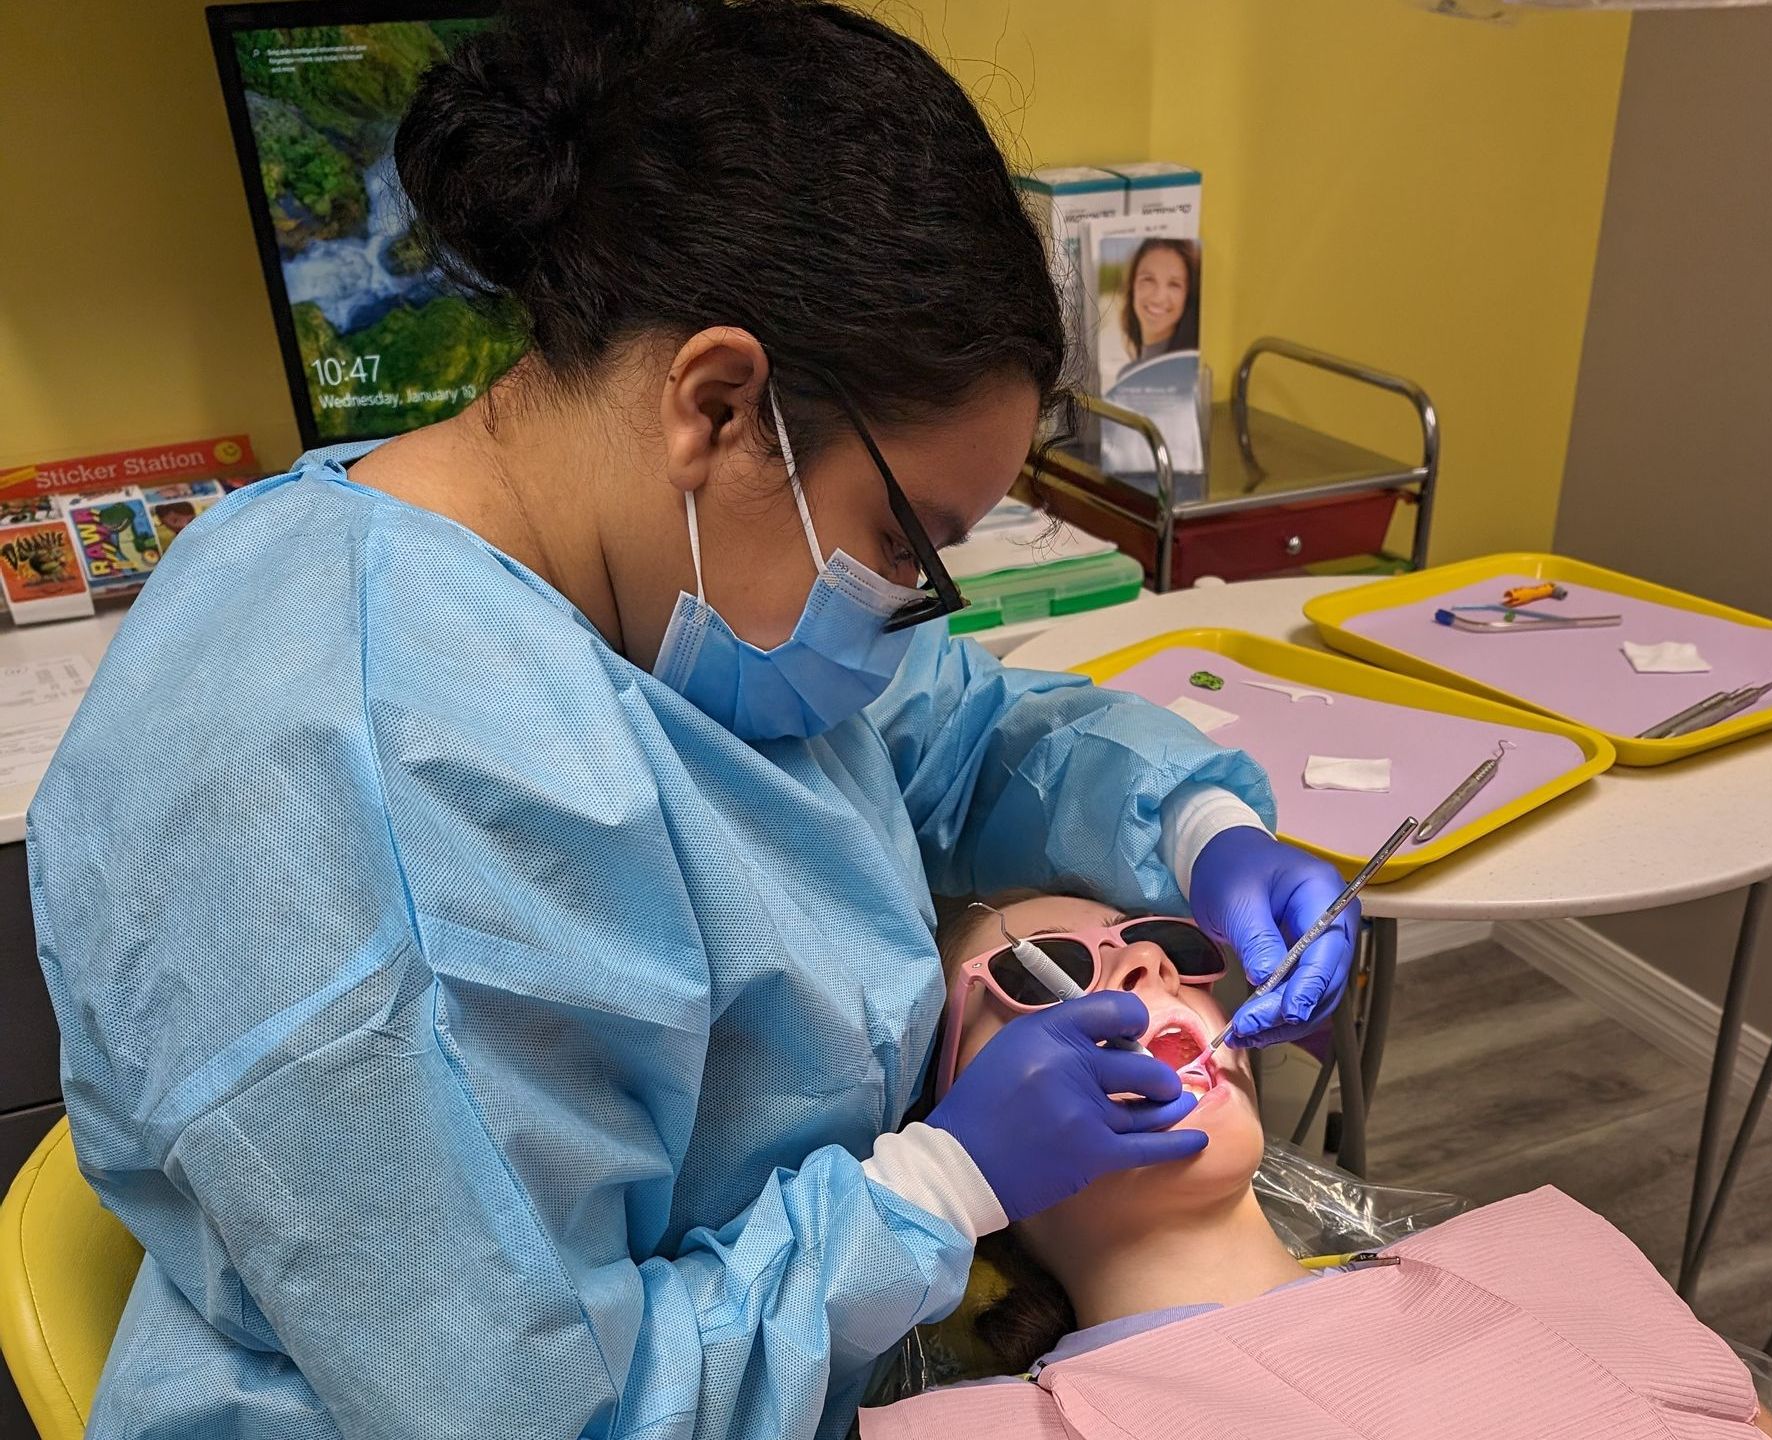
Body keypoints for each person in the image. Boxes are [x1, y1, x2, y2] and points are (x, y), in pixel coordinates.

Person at [24, 3, 1357, 1438]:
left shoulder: (656, 576)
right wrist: (936, 1191)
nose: (907, 606)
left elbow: (953, 733)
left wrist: (1203, 830)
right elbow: (540, 1413)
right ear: (719, 403)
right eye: (907, 543)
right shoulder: (384, 786)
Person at [859, 892, 1772, 1440]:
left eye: (1170, 947)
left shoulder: (1539, 1258)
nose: (1147, 964)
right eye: (1041, 975)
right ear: (948, 1125)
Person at [1113, 238, 1199, 382]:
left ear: (1188, 296)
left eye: (1174, 284)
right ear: (1132, 286)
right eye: (1148, 279)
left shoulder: (1192, 375)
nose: (1159, 297)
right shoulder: (1128, 375)